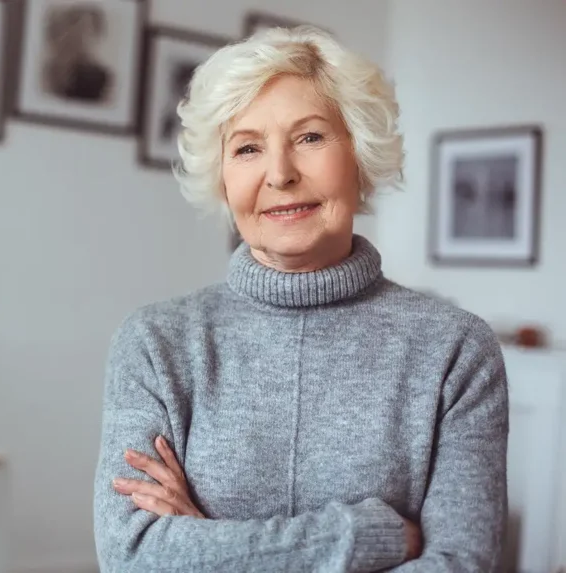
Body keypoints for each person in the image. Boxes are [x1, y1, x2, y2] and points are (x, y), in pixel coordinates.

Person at [93, 25, 508, 572]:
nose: (281, 174)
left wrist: (206, 544)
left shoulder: (456, 350)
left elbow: (462, 564)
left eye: (310, 137)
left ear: (359, 153)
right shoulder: (154, 344)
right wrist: (370, 535)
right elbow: (134, 556)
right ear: (221, 177)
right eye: (247, 148)